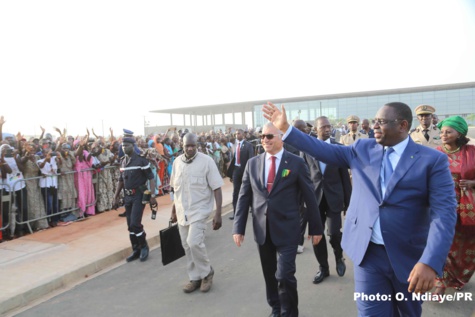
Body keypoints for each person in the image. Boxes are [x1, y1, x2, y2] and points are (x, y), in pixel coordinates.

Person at [262, 101, 457, 316]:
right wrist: (286, 129)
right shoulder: (362, 149)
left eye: (381, 122)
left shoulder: (433, 160)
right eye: (374, 121)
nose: (374, 126)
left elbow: (444, 215)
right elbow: (322, 149)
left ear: (402, 125)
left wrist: (429, 262)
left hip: (409, 258)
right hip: (368, 254)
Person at [232, 122, 323, 317]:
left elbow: (310, 198)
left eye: (270, 136)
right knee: (270, 274)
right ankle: (275, 308)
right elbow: (244, 197)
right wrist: (238, 228)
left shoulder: (296, 163)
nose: (265, 139)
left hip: (288, 229)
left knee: (284, 275)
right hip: (262, 230)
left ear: (281, 138)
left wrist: (316, 229)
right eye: (263, 136)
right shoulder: (253, 163)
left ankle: (290, 312)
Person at [297, 116, 352, 284]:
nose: (328, 129)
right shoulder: (307, 150)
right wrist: (302, 202)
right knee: (316, 235)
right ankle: (323, 268)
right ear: (316, 129)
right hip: (315, 200)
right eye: (324, 127)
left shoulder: (338, 148)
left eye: (329, 127)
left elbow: (345, 178)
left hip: (334, 198)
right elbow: (304, 177)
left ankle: (339, 258)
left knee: (335, 233)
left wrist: (348, 203)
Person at [170, 133, 223, 293]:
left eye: (193, 145)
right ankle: (195, 277)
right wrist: (173, 211)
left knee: (194, 242)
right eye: (187, 146)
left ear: (197, 145)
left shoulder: (207, 161)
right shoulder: (177, 163)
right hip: (182, 211)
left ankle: (207, 273)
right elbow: (175, 189)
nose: (191, 148)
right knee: (186, 245)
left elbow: (217, 188)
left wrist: (218, 214)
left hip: (199, 211)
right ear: (182, 145)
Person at [434, 116, 475, 296]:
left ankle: (459, 278)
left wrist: (473, 183)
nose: (444, 134)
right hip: (443, 207)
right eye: (442, 131)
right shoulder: (436, 153)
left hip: (468, 209)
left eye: (448, 131)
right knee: (443, 244)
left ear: (459, 133)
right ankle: (441, 283)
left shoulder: (471, 152)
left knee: (465, 247)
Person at [113, 134, 157, 263]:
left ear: (133, 146)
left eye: (127, 145)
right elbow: (121, 181)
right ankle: (136, 249)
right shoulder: (123, 161)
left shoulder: (141, 160)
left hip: (139, 195)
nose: (124, 148)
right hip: (128, 197)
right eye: (123, 145)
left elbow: (151, 178)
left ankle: (144, 246)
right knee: (130, 226)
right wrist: (115, 197)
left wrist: (153, 196)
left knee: (135, 223)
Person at [226, 129, 254, 220]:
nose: (237, 135)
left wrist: (249, 172)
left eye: (238, 133)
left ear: (243, 134)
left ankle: (253, 208)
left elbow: (251, 159)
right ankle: (235, 213)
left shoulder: (248, 145)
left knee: (248, 190)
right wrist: (231, 173)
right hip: (236, 171)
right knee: (235, 192)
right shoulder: (235, 145)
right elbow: (234, 159)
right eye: (236, 134)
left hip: (245, 170)